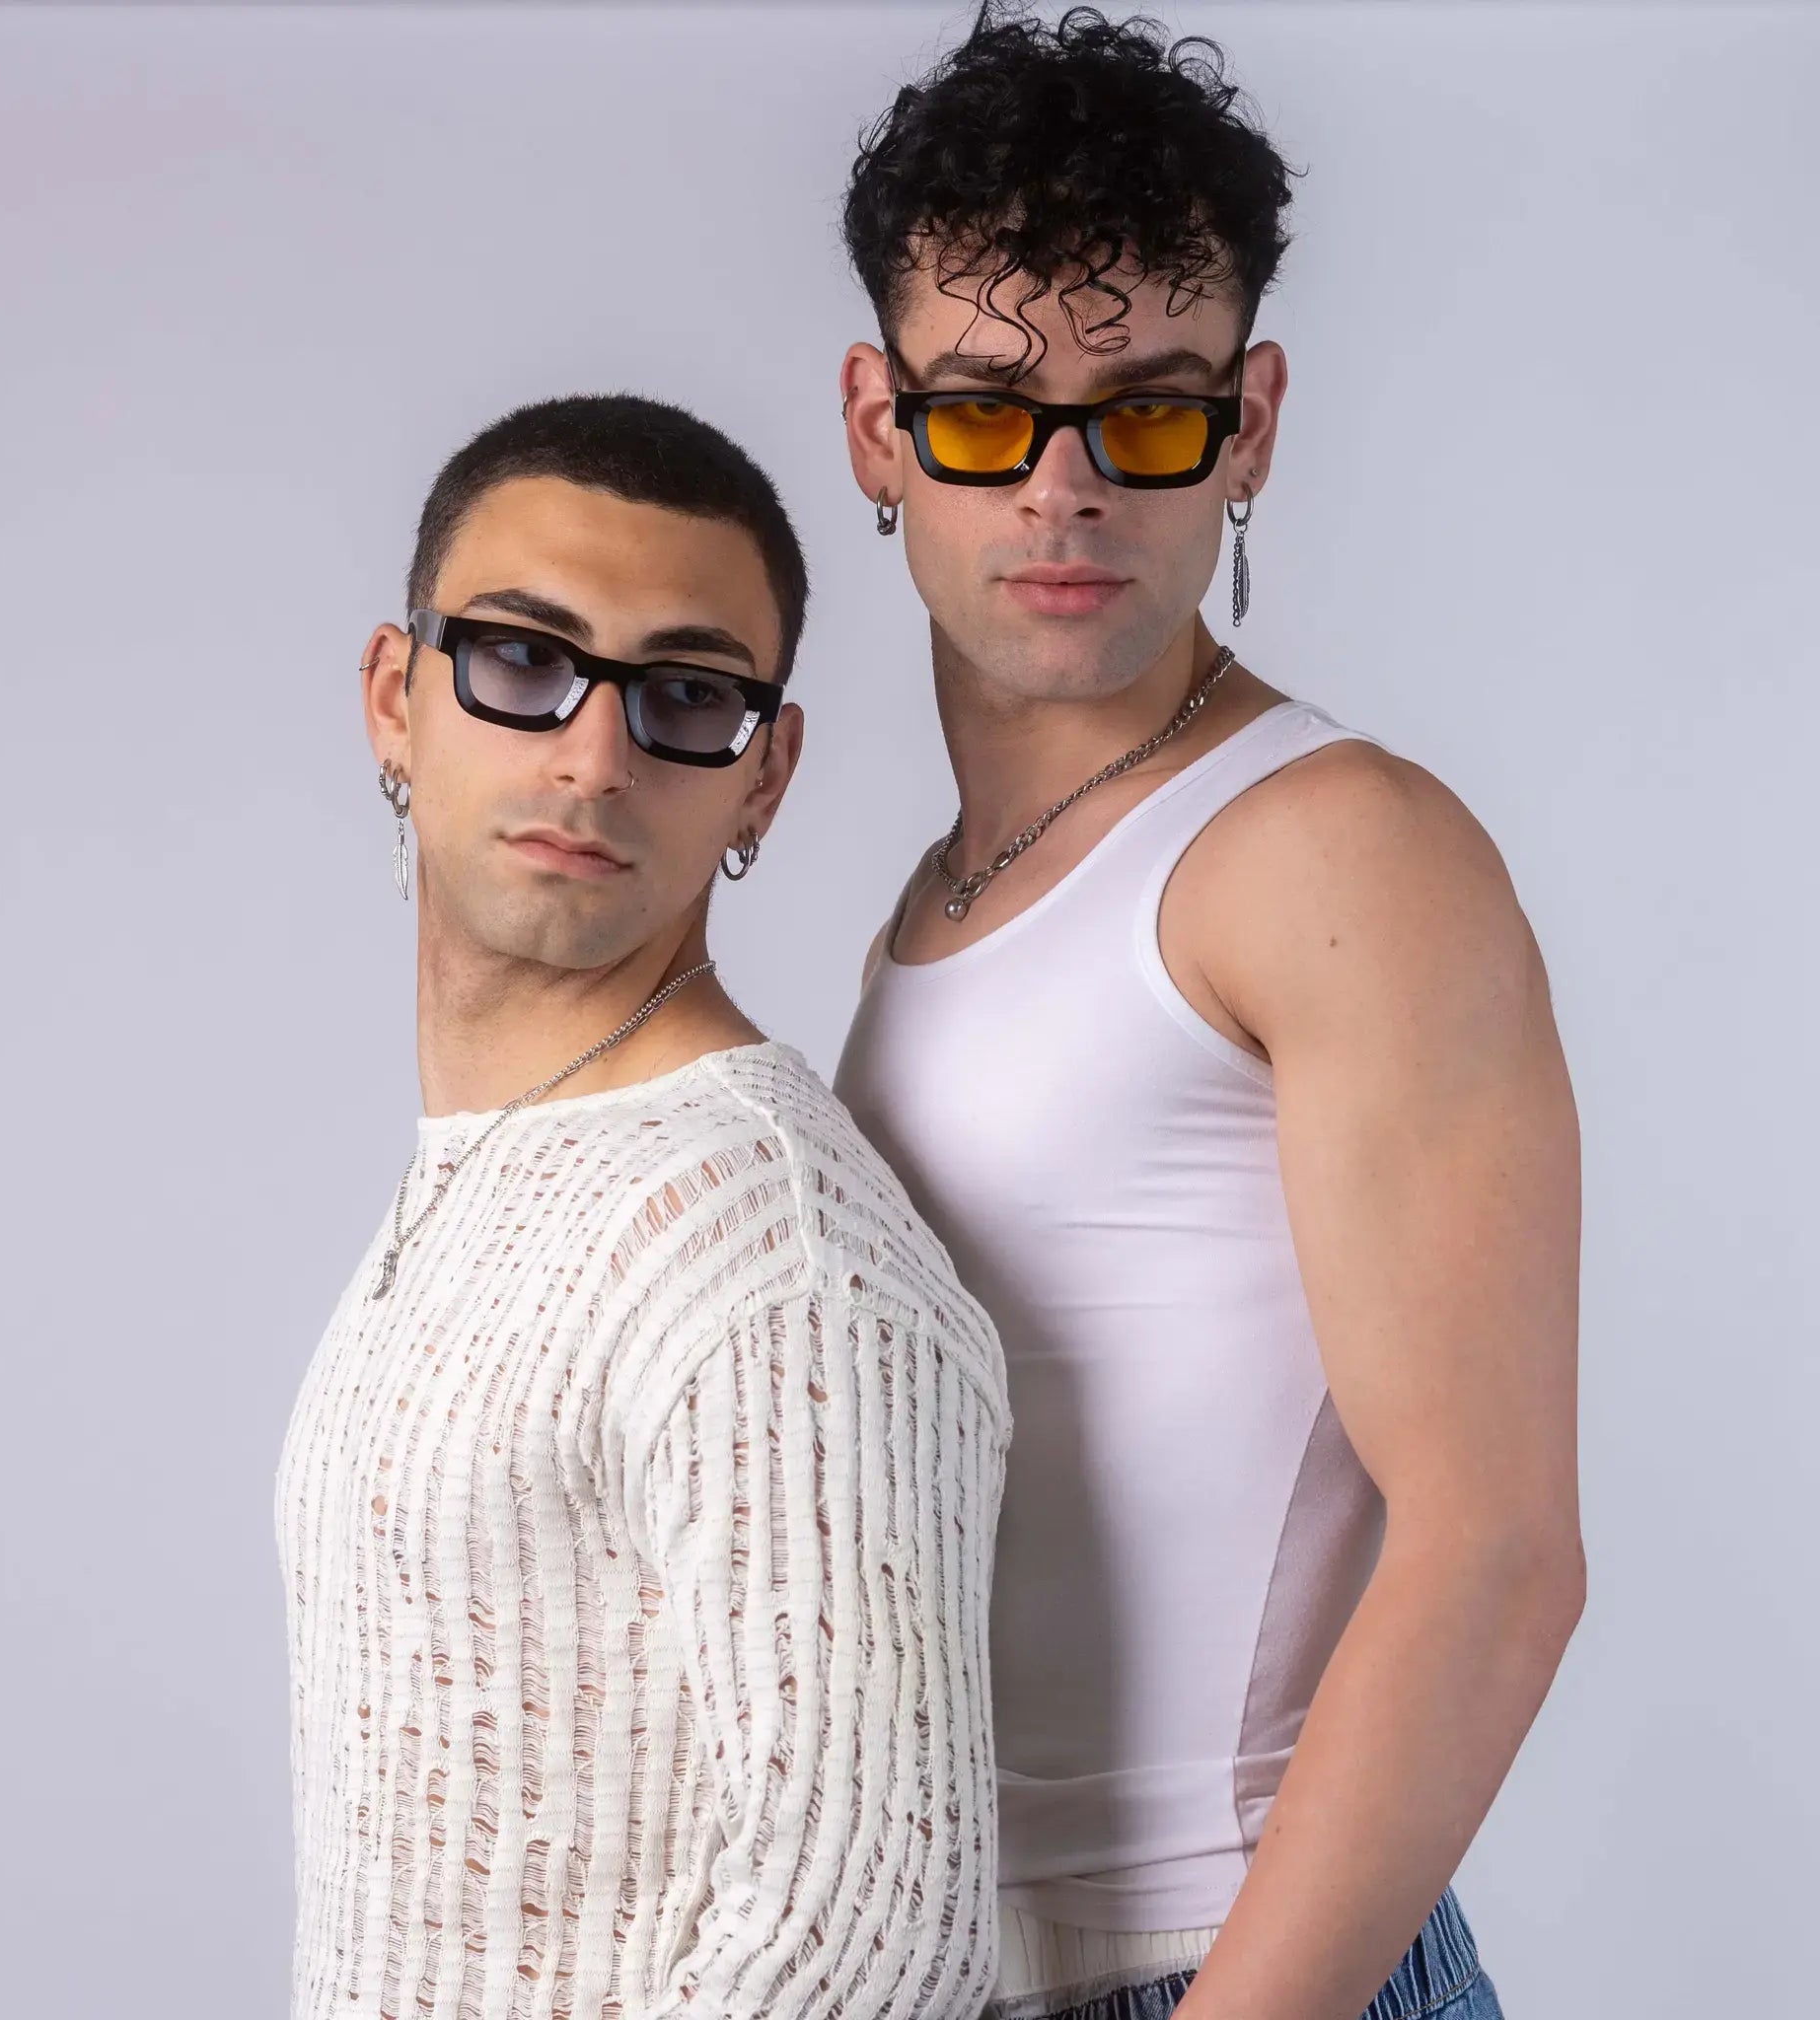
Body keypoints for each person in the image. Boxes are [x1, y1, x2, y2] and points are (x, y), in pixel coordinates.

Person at [830, 10, 1584, 2020]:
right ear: (872, 424)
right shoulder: (942, 898)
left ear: (1247, 424)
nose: (1065, 486)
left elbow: (1497, 1553)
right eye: (988, 409)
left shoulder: (1333, 849)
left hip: (1231, 1970)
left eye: (1145, 410)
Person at [275, 394, 1013, 2020]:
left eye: (684, 695)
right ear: (397, 702)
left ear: (765, 778)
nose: (593, 757)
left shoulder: (766, 1244)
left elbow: (870, 1943)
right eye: (523, 662)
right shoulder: (504, 1161)